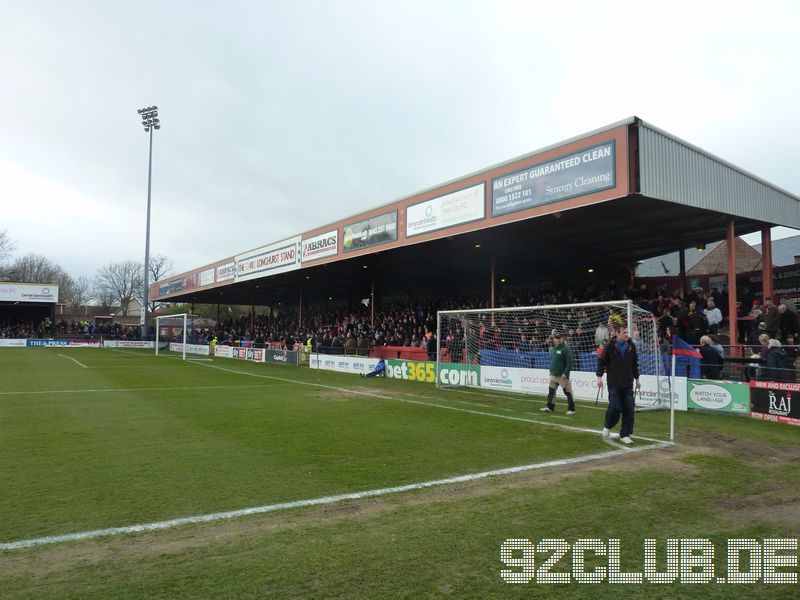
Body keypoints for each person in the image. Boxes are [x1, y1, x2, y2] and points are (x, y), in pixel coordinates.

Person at [596, 326, 640, 445]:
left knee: (629, 409)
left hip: (628, 383)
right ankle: (608, 426)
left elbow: (634, 364)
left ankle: (625, 434)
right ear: (617, 333)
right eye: (624, 332)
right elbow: (601, 362)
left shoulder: (631, 346)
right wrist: (599, 377)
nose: (626, 334)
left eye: (627, 332)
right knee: (615, 407)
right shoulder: (609, 347)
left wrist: (637, 379)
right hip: (614, 383)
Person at [540, 331, 576, 415]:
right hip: (553, 374)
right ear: (554, 339)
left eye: (560, 338)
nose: (558, 340)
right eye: (556, 338)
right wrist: (551, 370)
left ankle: (572, 409)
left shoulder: (566, 349)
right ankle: (550, 407)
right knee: (551, 392)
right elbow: (553, 361)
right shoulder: (553, 348)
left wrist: (565, 373)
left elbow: (570, 362)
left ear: (562, 339)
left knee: (568, 392)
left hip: (562, 376)